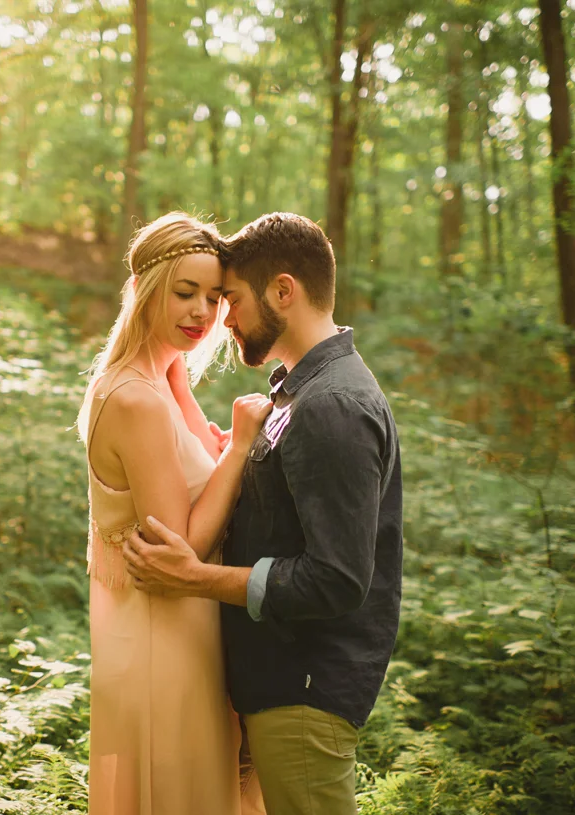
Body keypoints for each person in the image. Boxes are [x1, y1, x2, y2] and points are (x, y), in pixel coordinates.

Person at [123, 212, 403, 815]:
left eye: (233, 300)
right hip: (275, 680)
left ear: (283, 290)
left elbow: (338, 578)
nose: (224, 319)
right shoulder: (297, 389)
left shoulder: (333, 405)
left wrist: (195, 578)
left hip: (305, 687)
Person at [78, 212, 271, 815]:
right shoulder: (135, 396)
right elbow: (179, 548)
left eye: (214, 297)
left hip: (193, 628)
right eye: (185, 292)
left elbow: (190, 479)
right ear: (144, 290)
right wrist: (238, 447)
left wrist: (210, 455)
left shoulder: (166, 373)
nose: (202, 312)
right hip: (163, 638)